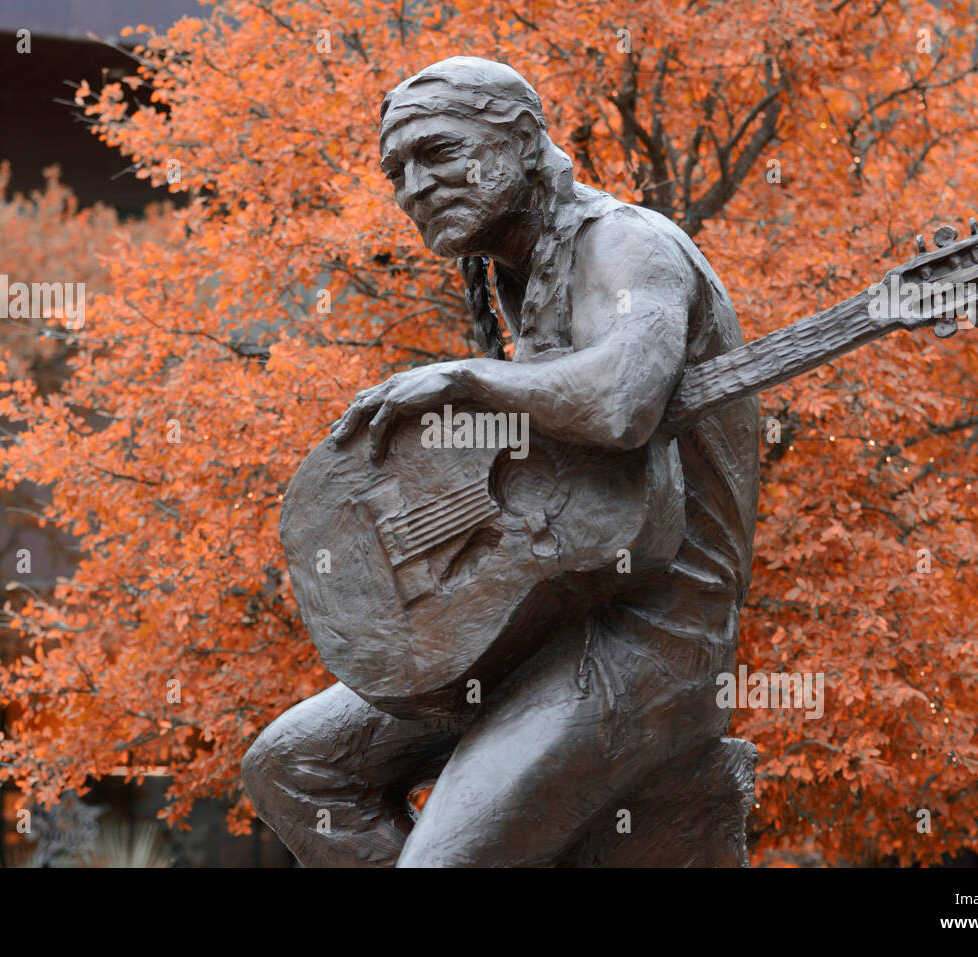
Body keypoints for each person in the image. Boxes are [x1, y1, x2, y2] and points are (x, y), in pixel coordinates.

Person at [242, 56, 759, 867]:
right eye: (397, 170)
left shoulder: (627, 245)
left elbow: (624, 403)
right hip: (535, 620)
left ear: (522, 142)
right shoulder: (514, 273)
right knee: (292, 767)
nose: (415, 184)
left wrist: (467, 379)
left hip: (652, 638)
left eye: (439, 152)